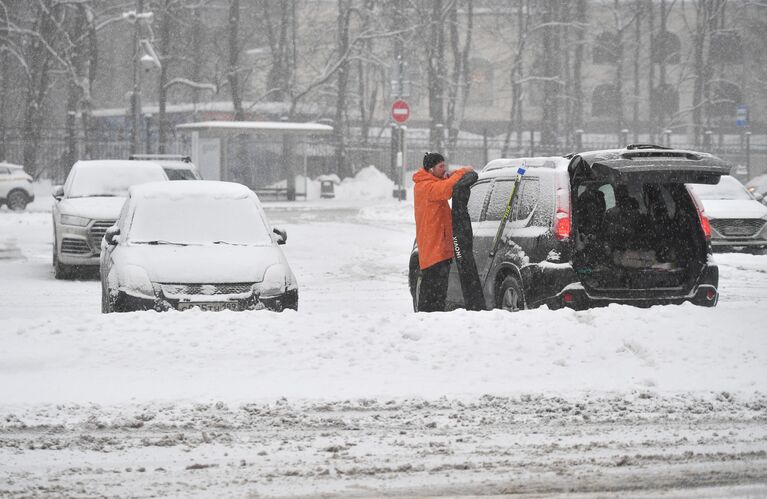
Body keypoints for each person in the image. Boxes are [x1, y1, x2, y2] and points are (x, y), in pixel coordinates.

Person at [412, 152, 473, 312]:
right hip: (434, 249)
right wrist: (462, 172)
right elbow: (445, 190)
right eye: (441, 166)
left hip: (439, 248)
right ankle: (426, 318)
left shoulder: (430, 183)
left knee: (438, 292)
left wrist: (450, 176)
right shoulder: (425, 187)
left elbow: (443, 184)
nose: (444, 169)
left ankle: (434, 318)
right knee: (432, 292)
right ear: (431, 169)